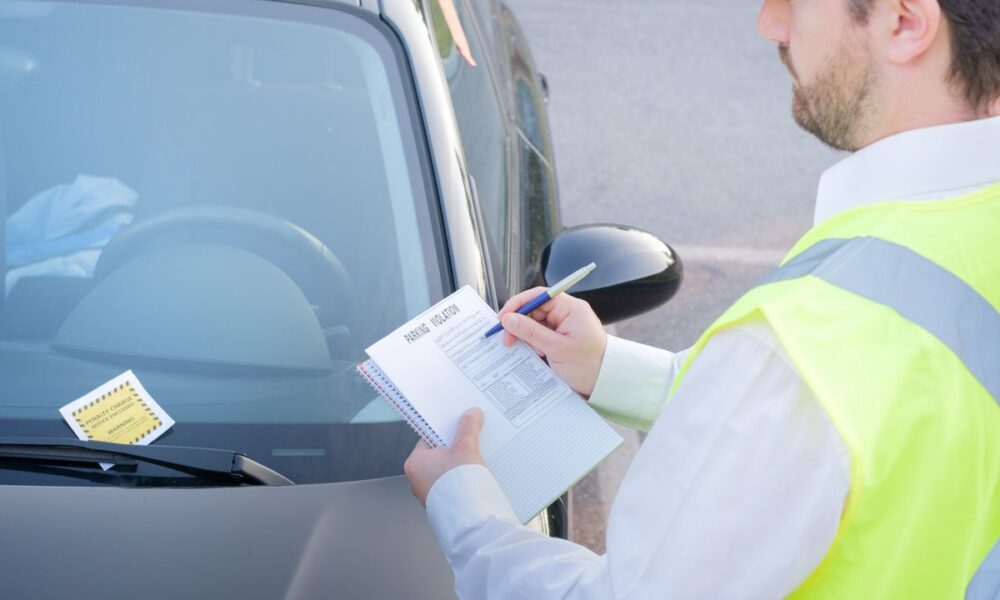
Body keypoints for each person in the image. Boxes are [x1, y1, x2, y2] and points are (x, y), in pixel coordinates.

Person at [404, 0, 1000, 597]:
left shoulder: (801, 352)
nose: (770, 24)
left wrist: (468, 513)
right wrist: (606, 369)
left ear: (905, 23)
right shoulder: (957, 236)